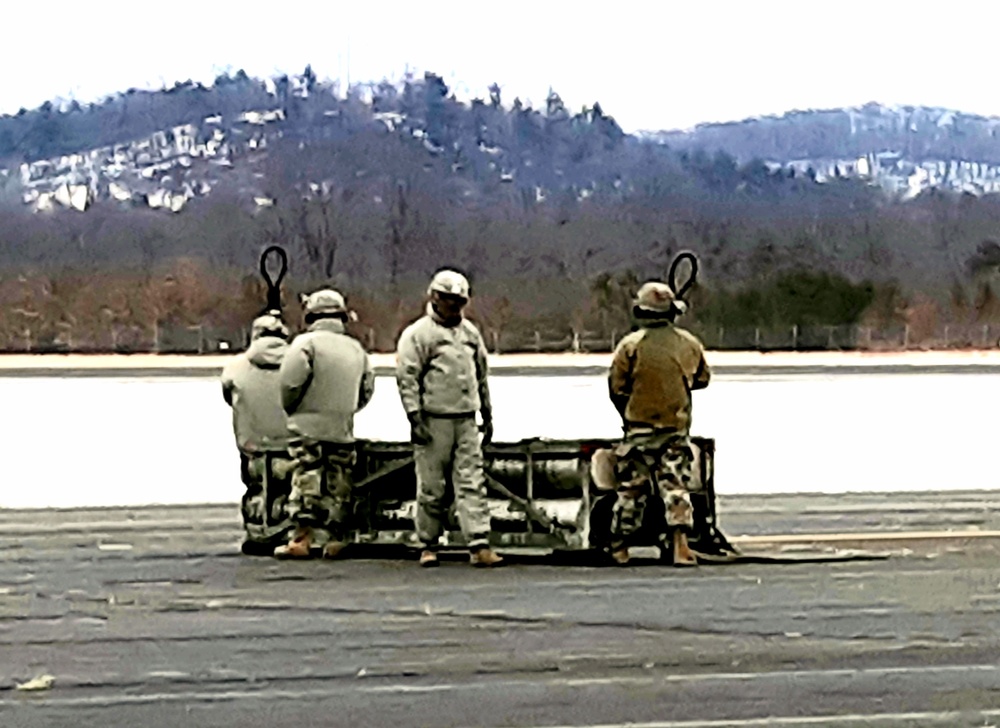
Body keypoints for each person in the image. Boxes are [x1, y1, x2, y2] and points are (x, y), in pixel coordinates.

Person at [395, 269, 504, 568]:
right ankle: (428, 543)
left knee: (472, 482)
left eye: (459, 301)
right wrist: (414, 416)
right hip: (434, 420)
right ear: (434, 298)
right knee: (431, 485)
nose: (455, 307)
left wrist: (487, 411)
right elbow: (408, 377)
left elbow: (481, 374)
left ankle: (478, 542)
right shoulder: (419, 335)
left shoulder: (470, 334)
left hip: (466, 419)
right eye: (449, 300)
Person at [606, 281, 711, 567]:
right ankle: (680, 545)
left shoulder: (630, 346)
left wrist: (630, 412)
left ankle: (619, 547)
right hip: (674, 430)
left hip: (638, 431)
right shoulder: (689, 344)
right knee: (676, 487)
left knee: (631, 491)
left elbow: (616, 388)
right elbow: (701, 379)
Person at [274, 289, 375, 559]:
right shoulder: (356, 349)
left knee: (306, 478)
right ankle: (336, 538)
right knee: (339, 483)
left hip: (307, 427)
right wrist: (346, 411)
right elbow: (366, 390)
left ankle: (302, 538)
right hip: (342, 428)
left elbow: (290, 384)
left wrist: (296, 410)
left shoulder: (305, 345)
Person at [220, 312, 295, 555]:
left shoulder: (235, 367)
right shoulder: (298, 364)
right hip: (291, 441)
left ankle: (257, 532)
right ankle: (286, 531)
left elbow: (228, 396)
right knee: (290, 490)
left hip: (252, 444)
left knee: (256, 489)